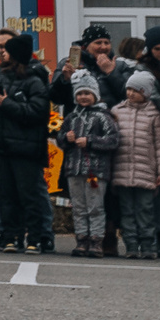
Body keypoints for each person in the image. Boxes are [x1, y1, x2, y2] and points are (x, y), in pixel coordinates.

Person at [0, 35, 55, 254]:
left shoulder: (35, 80)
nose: (3, 54)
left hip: (27, 148)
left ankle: (34, 238)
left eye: (8, 51)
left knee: (29, 195)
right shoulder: (5, 78)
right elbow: (3, 109)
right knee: (7, 195)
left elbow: (37, 113)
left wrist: (5, 103)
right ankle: (11, 237)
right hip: (5, 145)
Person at [107, 70, 160, 257]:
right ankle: (131, 245)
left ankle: (148, 245)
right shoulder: (117, 111)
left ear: (146, 92)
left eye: (136, 90)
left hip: (146, 173)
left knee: (145, 210)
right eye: (128, 89)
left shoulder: (154, 114)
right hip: (122, 172)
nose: (131, 93)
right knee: (126, 211)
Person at [58, 71, 120, 256]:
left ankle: (96, 240)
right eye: (80, 93)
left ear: (95, 95)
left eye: (87, 93)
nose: (83, 97)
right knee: (78, 207)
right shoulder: (71, 117)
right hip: (74, 169)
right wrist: (66, 139)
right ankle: (81, 239)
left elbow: (113, 140)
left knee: (95, 207)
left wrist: (91, 141)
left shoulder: (103, 116)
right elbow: (60, 139)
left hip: (96, 170)